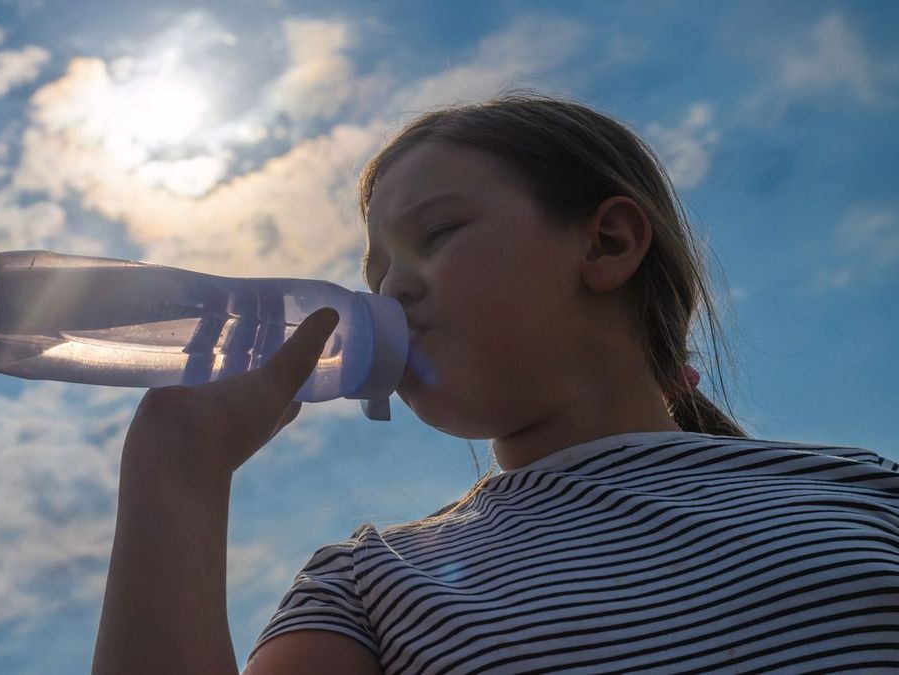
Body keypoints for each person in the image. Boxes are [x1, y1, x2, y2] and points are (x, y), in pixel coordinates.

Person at [91, 92, 899, 674]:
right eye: (376, 274)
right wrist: (177, 460)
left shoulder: (865, 492)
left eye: (436, 234)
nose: (390, 294)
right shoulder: (366, 584)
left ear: (609, 242)